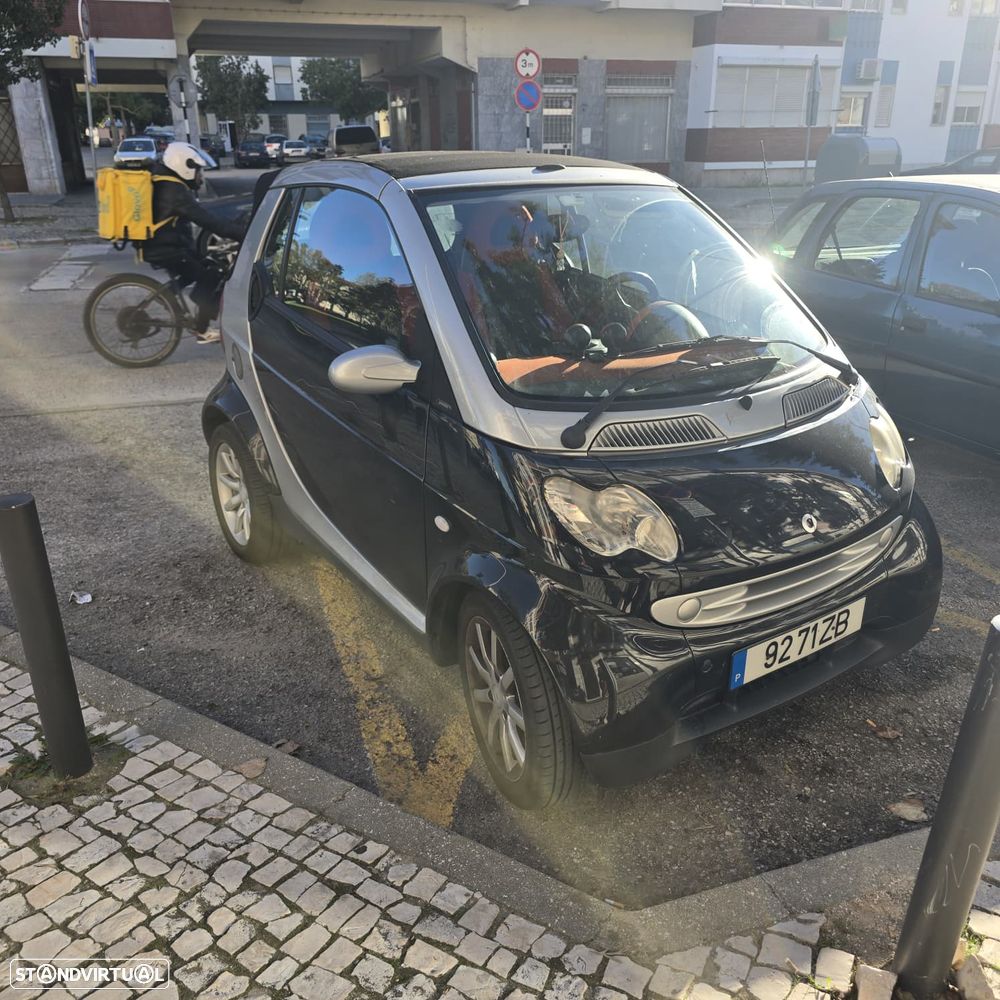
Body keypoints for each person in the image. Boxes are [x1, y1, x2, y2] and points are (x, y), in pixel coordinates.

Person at [143, 141, 246, 343]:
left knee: (203, 264)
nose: (200, 176)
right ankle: (202, 330)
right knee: (211, 275)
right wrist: (242, 233)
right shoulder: (174, 191)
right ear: (185, 166)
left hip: (166, 244)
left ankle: (169, 298)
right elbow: (207, 220)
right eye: (198, 170)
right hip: (166, 249)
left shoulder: (168, 182)